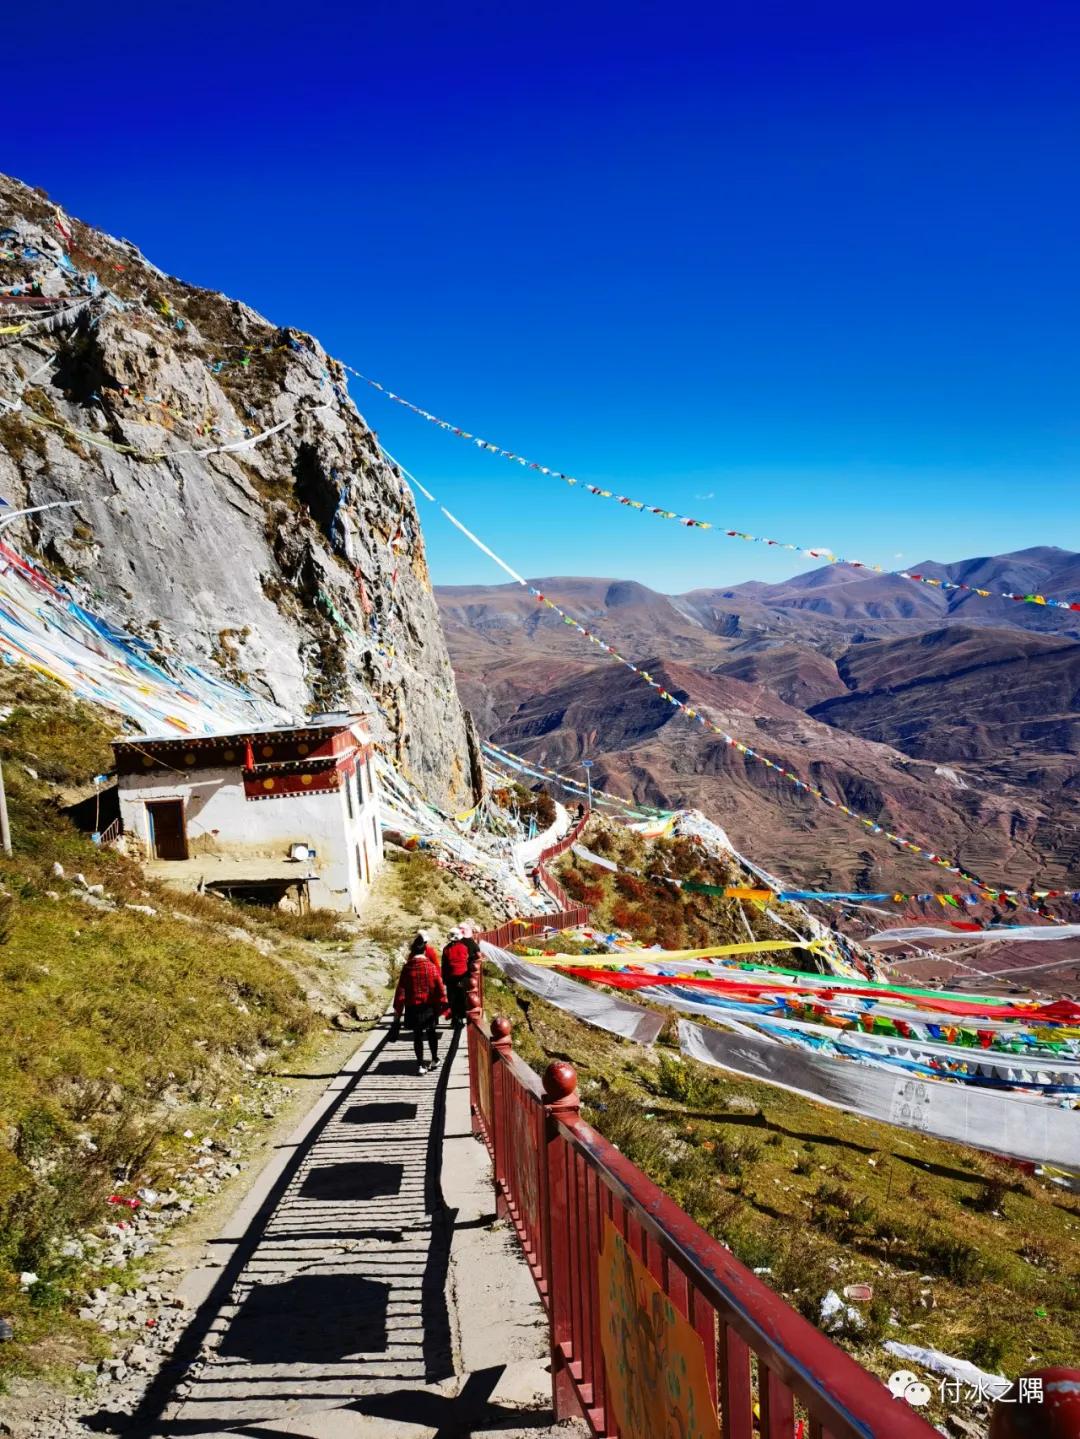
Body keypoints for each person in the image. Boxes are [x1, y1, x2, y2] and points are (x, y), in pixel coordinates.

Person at [393, 933, 447, 1075]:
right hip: (429, 1006)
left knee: (417, 1035)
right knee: (431, 1032)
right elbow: (440, 987)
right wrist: (443, 1004)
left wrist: (398, 1011)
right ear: (424, 951)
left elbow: (401, 991)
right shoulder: (431, 967)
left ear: (413, 951)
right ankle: (434, 1059)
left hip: (412, 1007)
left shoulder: (407, 968)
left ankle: (421, 1065)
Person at [441, 926, 479, 1028]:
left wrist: (444, 978)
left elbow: (444, 965)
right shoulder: (463, 947)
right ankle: (461, 1018)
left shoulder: (446, 949)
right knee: (461, 997)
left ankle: (455, 1019)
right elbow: (467, 959)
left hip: (450, 977)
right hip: (463, 976)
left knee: (452, 998)